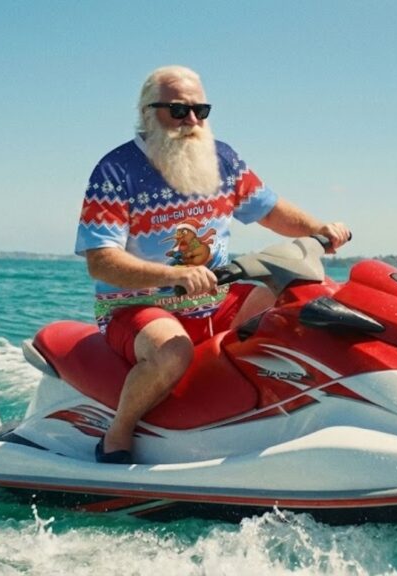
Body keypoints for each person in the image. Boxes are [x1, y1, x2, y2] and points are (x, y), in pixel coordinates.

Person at [75, 65, 350, 464]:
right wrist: (175, 275)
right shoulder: (116, 171)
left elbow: (269, 210)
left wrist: (319, 228)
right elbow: (101, 261)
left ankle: (280, 416)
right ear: (147, 112)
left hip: (214, 296)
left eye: (199, 111)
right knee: (173, 353)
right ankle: (117, 433)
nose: (191, 121)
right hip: (136, 305)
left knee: (298, 301)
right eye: (178, 111)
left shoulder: (223, 160)